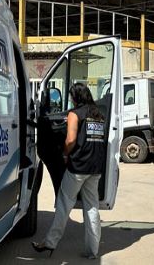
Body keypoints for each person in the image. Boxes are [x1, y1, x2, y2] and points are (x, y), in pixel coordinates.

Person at [33, 83, 106, 259]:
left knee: (64, 204)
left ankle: (50, 242)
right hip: (95, 168)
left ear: (75, 98)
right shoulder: (98, 115)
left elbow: (71, 139)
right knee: (91, 208)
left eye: (72, 97)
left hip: (78, 167)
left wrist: (65, 154)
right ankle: (92, 251)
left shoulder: (75, 114)